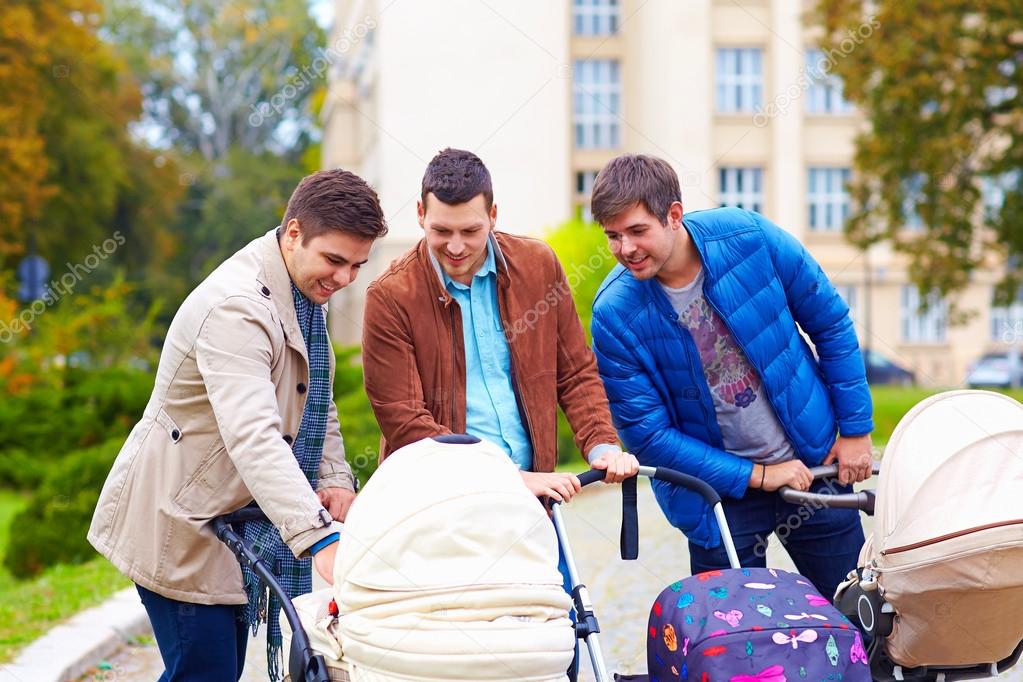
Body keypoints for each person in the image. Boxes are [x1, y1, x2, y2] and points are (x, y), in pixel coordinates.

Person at [88, 169, 387, 681]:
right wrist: (317, 537)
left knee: (206, 672)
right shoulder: (239, 308)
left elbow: (314, 398)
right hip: (181, 523)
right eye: (335, 261)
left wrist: (335, 476)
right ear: (293, 233)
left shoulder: (301, 294)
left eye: (357, 266)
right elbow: (255, 438)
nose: (344, 279)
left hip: (227, 523)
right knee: (205, 674)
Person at [361, 148, 638, 680]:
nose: (456, 246)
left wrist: (602, 445)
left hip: (532, 508)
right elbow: (407, 424)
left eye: (470, 229)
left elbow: (576, 372)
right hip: (441, 510)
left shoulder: (538, 266)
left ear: (494, 214)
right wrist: (512, 480)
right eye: (441, 230)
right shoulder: (390, 297)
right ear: (420, 214)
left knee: (552, 645)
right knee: (461, 656)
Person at [588, 154, 873, 598]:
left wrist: (855, 429)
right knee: (738, 650)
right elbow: (649, 437)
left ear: (674, 215)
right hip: (717, 498)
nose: (625, 249)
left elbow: (830, 322)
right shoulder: (614, 314)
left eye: (637, 231)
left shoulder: (748, 237)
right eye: (613, 236)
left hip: (812, 464)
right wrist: (758, 476)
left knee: (859, 620)